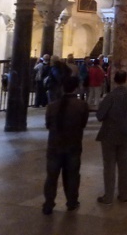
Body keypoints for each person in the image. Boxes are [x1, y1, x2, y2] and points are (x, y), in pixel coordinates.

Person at [42, 76, 90, 215]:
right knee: (72, 175)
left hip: (54, 145)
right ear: (76, 87)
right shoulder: (82, 105)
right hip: (73, 145)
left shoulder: (52, 106)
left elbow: (48, 125)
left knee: (51, 176)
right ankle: (72, 202)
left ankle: (48, 204)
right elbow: (83, 124)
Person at [95, 71, 127, 205]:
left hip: (110, 134)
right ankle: (124, 194)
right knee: (124, 163)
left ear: (114, 80)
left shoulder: (110, 96)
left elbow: (100, 116)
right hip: (126, 133)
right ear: (126, 80)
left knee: (109, 165)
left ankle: (108, 197)